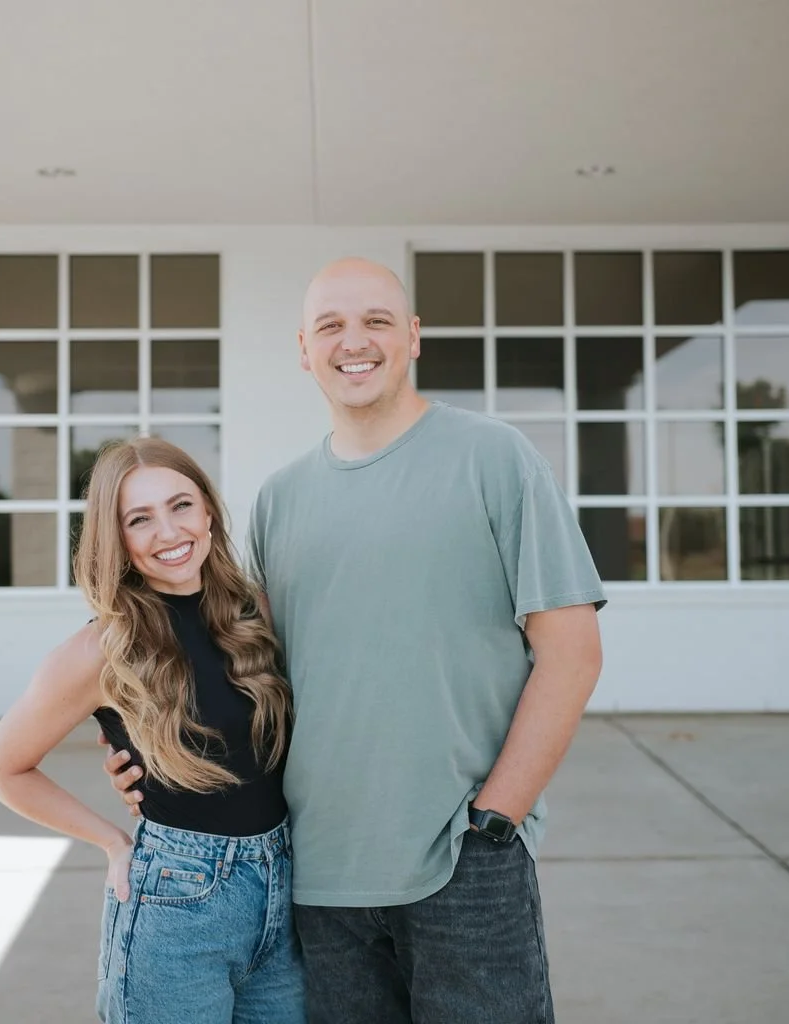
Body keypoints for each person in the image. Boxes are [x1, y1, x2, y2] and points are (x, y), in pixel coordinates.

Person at [104, 258, 606, 1024]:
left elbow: (572, 653)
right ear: (304, 350)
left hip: (462, 863)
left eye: (375, 320)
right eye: (331, 326)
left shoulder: (493, 458)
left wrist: (496, 820)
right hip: (316, 877)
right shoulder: (281, 498)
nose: (354, 342)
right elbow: (250, 669)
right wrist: (156, 751)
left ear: (412, 337)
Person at [0, 437, 306, 1024]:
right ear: (119, 540)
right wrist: (113, 842)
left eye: (181, 505)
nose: (169, 532)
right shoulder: (102, 647)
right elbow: (3, 767)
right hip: (177, 903)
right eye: (140, 518)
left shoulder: (255, 611)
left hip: (287, 889)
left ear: (208, 510)